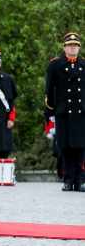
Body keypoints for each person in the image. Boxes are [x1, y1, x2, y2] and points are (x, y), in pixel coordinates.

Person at [45, 32, 85, 192]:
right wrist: (49, 114)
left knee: (81, 147)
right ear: (64, 47)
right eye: (70, 46)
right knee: (66, 147)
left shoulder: (84, 65)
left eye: (75, 46)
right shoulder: (55, 65)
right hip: (63, 113)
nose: (72, 48)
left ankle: (81, 179)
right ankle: (68, 179)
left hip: (82, 113)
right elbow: (49, 91)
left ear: (79, 48)